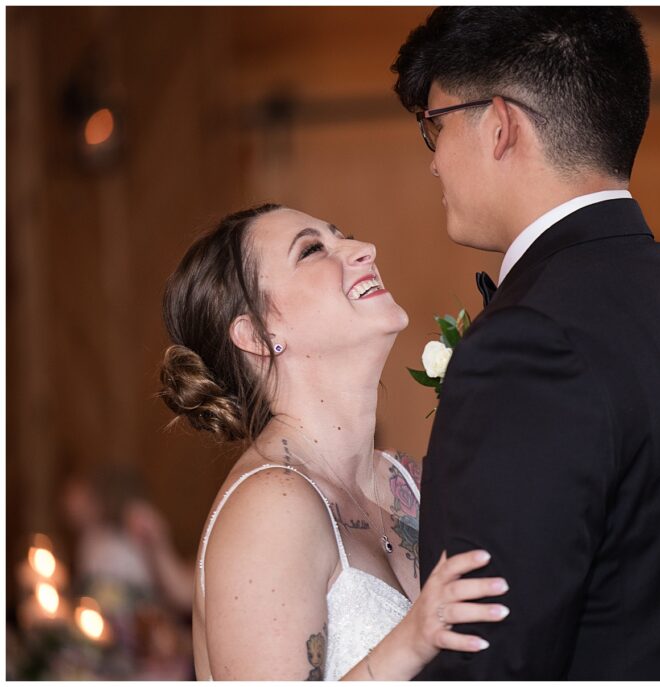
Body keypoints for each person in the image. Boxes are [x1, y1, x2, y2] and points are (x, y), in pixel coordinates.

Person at [392, 8, 660, 679]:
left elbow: (487, 662)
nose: (433, 164)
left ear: (499, 125)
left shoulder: (527, 344)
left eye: (434, 126)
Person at [159, 204, 509, 680]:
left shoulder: (409, 479)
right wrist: (412, 642)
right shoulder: (270, 507)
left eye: (346, 236)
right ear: (258, 334)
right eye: (312, 250)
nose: (365, 250)